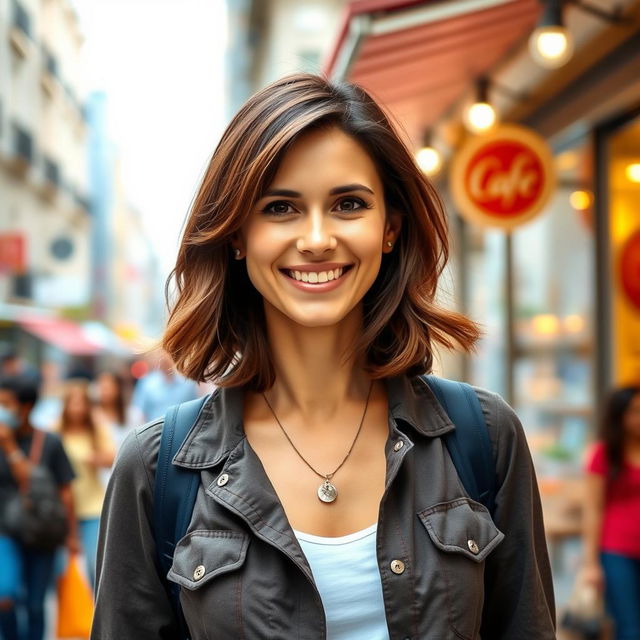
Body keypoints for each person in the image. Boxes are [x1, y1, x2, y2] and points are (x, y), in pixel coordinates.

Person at [92, 73, 555, 639]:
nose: (316, 238)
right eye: (281, 207)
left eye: (348, 204)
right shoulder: (158, 469)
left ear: (390, 229)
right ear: (237, 235)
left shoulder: (483, 438)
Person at [0, 376, 77, 640]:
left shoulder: (49, 443)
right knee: (5, 595)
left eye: (6, 403)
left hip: (42, 532)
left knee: (35, 603)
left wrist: (72, 536)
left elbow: (65, 492)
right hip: (5, 532)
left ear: (27, 407)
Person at [582, 386, 640, 640]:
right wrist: (590, 564)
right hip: (617, 551)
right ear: (620, 416)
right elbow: (593, 509)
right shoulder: (604, 455)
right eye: (635, 411)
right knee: (629, 628)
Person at [55, 380, 115, 590]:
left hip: (92, 508)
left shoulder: (95, 430)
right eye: (73, 403)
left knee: (94, 566)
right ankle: (72, 620)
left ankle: (96, 617)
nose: (77, 408)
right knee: (62, 572)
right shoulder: (55, 432)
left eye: (82, 403)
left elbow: (114, 458)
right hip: (61, 511)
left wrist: (96, 458)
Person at [129, 349, 199, 424]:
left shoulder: (188, 384)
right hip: (155, 431)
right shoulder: (147, 383)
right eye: (161, 357)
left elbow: (194, 410)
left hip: (182, 430)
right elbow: (139, 411)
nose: (164, 360)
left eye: (167, 357)